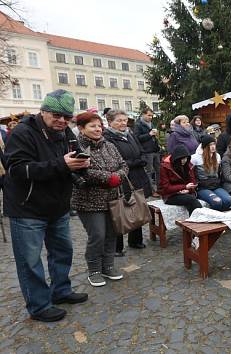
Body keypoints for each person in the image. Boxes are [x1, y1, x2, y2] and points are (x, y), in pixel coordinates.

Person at [4, 90, 89, 322]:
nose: (62, 120)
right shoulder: (22, 132)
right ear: (43, 111)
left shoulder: (66, 132)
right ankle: (39, 305)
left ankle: (61, 291)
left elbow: (69, 162)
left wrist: (81, 164)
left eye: (66, 116)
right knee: (30, 261)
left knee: (62, 252)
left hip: (58, 205)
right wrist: (62, 164)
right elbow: (18, 170)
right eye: (56, 115)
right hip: (27, 209)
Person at [72, 112, 128, 287]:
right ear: (81, 129)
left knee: (112, 233)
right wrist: (107, 178)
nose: (97, 129)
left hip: (112, 198)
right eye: (92, 126)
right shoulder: (76, 146)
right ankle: (94, 269)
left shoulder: (109, 145)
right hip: (88, 200)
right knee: (97, 235)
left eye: (99, 126)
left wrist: (117, 176)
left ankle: (108, 265)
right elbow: (82, 171)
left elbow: (123, 165)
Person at [104, 109, 152, 254]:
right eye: (119, 121)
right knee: (119, 212)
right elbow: (116, 162)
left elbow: (141, 151)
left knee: (137, 208)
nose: (123, 123)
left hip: (137, 177)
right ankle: (117, 247)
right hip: (122, 179)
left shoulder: (129, 134)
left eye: (124, 120)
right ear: (110, 122)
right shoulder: (107, 138)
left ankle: (135, 240)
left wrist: (139, 160)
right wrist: (136, 162)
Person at [191, 135, 231, 211]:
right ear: (205, 146)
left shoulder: (217, 156)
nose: (213, 147)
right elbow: (190, 174)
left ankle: (220, 216)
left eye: (214, 144)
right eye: (210, 145)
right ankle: (214, 218)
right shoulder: (195, 158)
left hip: (215, 185)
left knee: (229, 200)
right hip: (202, 187)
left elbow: (219, 173)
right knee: (217, 201)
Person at [159, 144, 202, 215]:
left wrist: (188, 190)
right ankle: (198, 221)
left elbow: (192, 181)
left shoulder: (187, 165)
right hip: (170, 195)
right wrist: (183, 188)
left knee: (192, 201)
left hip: (186, 192)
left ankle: (195, 222)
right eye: (182, 159)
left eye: (186, 158)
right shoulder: (165, 167)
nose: (184, 161)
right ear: (176, 158)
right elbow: (166, 188)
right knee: (192, 201)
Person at [133, 107, 161, 196]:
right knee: (149, 172)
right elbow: (137, 138)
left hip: (155, 150)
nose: (150, 117)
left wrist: (156, 137)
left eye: (152, 116)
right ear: (143, 114)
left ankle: (160, 188)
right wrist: (149, 134)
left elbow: (153, 137)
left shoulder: (151, 124)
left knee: (159, 171)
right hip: (146, 152)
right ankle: (151, 191)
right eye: (149, 115)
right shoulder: (138, 124)